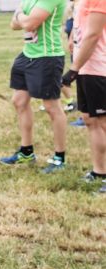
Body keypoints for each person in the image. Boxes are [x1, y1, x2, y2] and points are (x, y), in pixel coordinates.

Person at [0, 0, 68, 174]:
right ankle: (26, 152)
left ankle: (59, 158)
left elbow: (29, 24)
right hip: (27, 54)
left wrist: (20, 16)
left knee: (52, 107)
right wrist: (22, 19)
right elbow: (14, 25)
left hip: (47, 57)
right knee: (19, 101)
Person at [63, 0, 106, 193]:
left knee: (103, 122)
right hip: (86, 68)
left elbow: (93, 35)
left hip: (100, 69)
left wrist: (73, 69)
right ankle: (99, 171)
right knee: (90, 120)